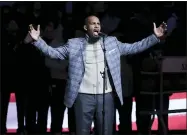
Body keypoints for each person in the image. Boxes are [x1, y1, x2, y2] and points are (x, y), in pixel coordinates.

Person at [27, 15, 167, 135]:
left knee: (105, 132)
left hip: (106, 96)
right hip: (82, 96)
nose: (96, 26)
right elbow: (53, 53)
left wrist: (154, 37)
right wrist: (37, 41)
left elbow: (134, 47)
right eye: (92, 23)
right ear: (85, 27)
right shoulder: (74, 44)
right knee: (82, 131)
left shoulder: (111, 43)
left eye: (98, 23)